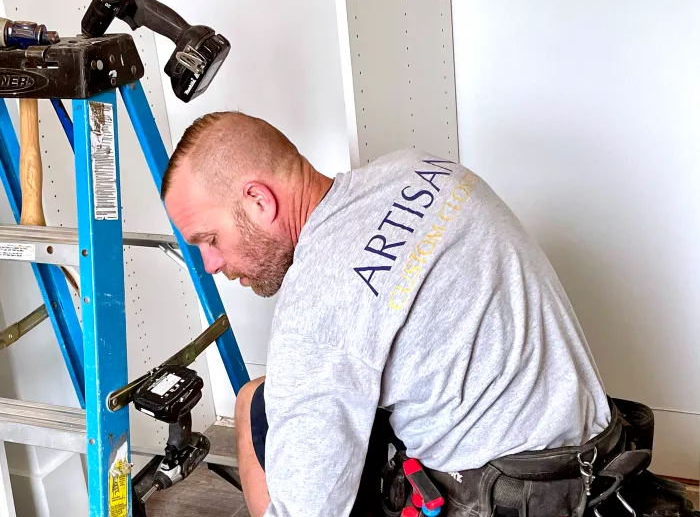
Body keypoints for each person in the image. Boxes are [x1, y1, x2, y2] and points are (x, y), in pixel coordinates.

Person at [160, 111, 669, 517]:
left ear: (258, 201)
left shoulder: (317, 307)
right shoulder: (417, 168)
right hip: (596, 451)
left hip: (511, 497)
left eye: (209, 239)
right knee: (283, 397)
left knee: (254, 405)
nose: (210, 265)